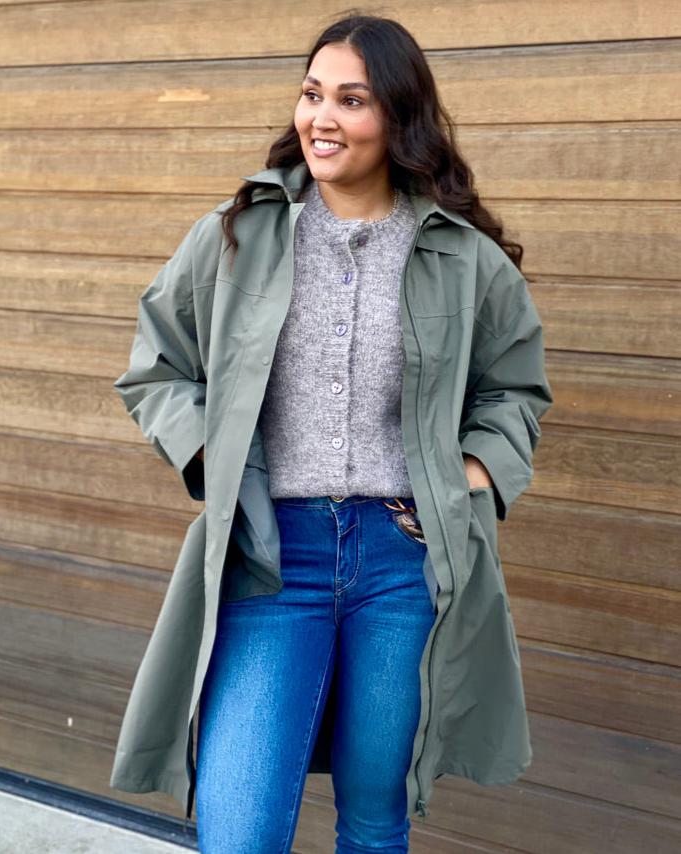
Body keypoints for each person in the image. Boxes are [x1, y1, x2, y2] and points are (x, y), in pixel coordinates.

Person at [110, 12, 553, 854]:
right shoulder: (235, 235)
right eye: (312, 94)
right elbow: (156, 367)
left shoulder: (461, 256)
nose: (322, 117)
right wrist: (211, 453)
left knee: (375, 820)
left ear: (398, 117)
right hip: (272, 556)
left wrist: (468, 477)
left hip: (403, 561)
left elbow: (514, 390)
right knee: (239, 829)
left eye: (351, 99)